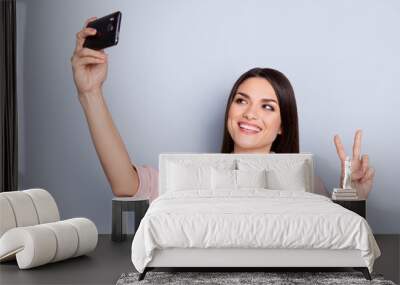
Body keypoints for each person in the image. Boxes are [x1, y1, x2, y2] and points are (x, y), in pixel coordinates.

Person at [70, 17, 375, 203]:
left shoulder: (305, 181)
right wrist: (90, 92)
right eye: (241, 100)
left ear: (283, 124)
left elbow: (334, 238)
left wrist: (355, 197)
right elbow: (126, 185)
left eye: (267, 106)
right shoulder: (193, 176)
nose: (250, 113)